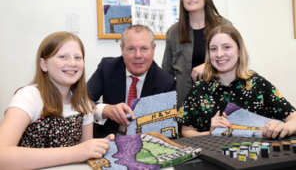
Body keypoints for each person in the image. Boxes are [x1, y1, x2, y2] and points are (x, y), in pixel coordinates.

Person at [0, 32, 114, 169]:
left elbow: (85, 153)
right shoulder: (29, 97)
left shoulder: (83, 104)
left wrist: (100, 147)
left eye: (78, 57)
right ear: (44, 65)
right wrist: (75, 152)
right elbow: (2, 156)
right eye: (63, 57)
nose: (72, 63)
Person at [177, 25, 296, 139]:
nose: (219, 54)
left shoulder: (258, 85)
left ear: (240, 51)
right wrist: (210, 132)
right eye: (213, 49)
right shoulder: (198, 89)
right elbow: (186, 131)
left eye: (226, 47)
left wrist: (287, 128)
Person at [87, 24, 176, 138]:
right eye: (131, 49)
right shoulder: (107, 68)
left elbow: (165, 132)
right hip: (108, 141)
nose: (138, 55)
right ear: (122, 50)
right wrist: (106, 110)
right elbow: (79, 101)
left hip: (145, 145)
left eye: (144, 49)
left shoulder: (166, 83)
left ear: (153, 49)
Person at [162, 0, 232, 109]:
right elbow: (167, 74)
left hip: (220, 102)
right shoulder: (173, 32)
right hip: (186, 106)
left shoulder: (224, 26)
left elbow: (236, 61)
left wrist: (208, 66)